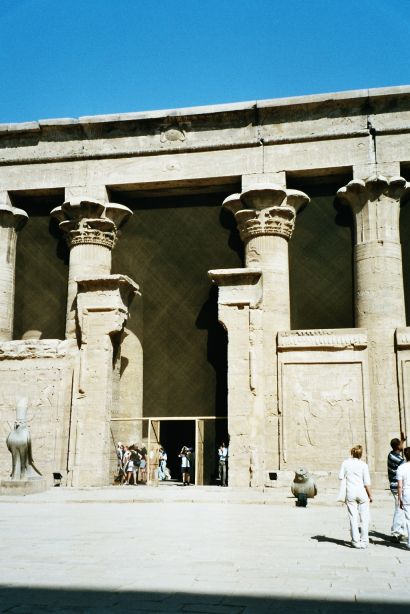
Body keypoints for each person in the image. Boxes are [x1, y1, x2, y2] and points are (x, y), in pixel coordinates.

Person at [339, 445, 372, 549]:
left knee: (353, 517)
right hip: (362, 492)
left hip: (350, 492)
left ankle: (355, 541)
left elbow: (341, 477)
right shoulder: (363, 465)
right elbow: (367, 483)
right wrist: (370, 495)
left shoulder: (345, 463)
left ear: (352, 453)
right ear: (361, 454)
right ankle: (364, 541)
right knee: (364, 518)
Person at [388, 435, 406, 542]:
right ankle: (395, 533)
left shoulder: (391, 454)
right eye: (400, 444)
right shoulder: (399, 460)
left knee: (401, 510)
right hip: (397, 487)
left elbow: (399, 450)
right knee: (399, 509)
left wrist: (402, 442)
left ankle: (401, 532)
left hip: (395, 486)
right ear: (398, 447)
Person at [397, 446, 410, 549]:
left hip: (407, 493)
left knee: (408, 519)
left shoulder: (401, 468)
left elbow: (400, 485)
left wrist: (399, 498)